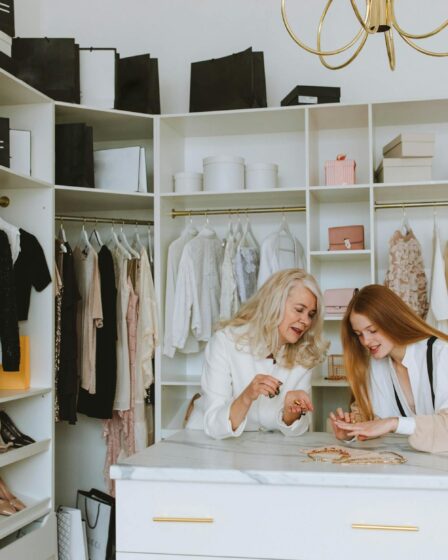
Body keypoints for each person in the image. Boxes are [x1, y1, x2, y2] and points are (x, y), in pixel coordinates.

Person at [186, 269, 328, 439]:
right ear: (275, 304)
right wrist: (247, 397)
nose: (305, 321)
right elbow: (214, 424)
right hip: (206, 443)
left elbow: (298, 429)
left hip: (262, 450)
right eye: (299, 310)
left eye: (311, 315)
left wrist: (292, 413)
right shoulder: (225, 342)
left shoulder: (304, 354)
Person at [330, 284, 448, 453]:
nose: (366, 341)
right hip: (407, 466)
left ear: (392, 320)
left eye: (372, 330)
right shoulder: (375, 365)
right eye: (359, 334)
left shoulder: (442, 354)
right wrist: (352, 430)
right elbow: (372, 419)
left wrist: (394, 423)